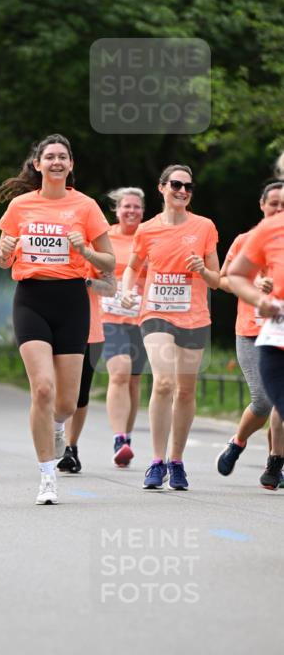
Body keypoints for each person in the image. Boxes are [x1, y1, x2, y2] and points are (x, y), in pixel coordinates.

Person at [0, 133, 114, 505]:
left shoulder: (86, 206)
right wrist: (4, 251)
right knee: (42, 388)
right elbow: (0, 259)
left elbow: (110, 263)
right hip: (31, 299)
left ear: (71, 164)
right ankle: (47, 475)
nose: (57, 162)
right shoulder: (20, 207)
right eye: (50, 157)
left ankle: (59, 426)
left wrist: (85, 250)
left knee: (66, 401)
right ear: (38, 164)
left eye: (63, 157)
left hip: (72, 301)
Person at [121, 165, 220, 490]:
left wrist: (201, 271)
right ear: (162, 187)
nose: (182, 191)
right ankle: (156, 461)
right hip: (156, 313)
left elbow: (216, 280)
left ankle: (176, 461)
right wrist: (125, 291)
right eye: (176, 185)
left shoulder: (204, 226)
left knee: (186, 389)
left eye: (188, 187)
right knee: (163, 383)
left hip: (193, 316)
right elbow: (132, 268)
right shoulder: (147, 230)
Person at [216, 182, 283, 483]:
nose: (279, 210)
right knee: (263, 399)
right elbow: (225, 279)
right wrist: (256, 291)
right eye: (274, 204)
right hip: (252, 331)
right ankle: (238, 441)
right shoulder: (248, 239)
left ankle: (275, 464)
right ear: (262, 205)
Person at [100, 187, 148, 467]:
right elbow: (91, 271)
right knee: (119, 374)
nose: (132, 211)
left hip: (143, 319)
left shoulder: (150, 237)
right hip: (111, 318)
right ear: (116, 210)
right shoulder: (104, 237)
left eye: (137, 207)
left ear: (143, 211)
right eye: (126, 206)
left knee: (133, 380)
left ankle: (126, 438)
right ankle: (119, 438)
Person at [57, 266, 116, 473]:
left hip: (90, 332)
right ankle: (56, 441)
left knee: (80, 396)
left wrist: (87, 282)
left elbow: (110, 289)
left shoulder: (92, 252)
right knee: (55, 391)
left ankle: (70, 448)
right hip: (56, 329)